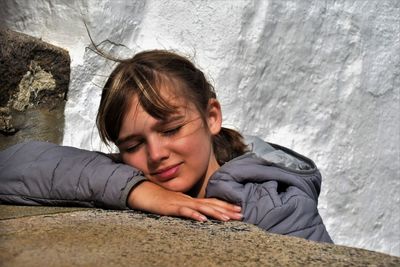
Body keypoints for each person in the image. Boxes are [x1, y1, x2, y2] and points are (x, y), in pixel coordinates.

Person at [0, 50, 333, 243]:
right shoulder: (132, 175)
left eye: (172, 129)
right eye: (133, 144)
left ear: (211, 116)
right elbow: (13, 165)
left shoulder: (271, 204)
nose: (156, 154)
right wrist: (139, 190)